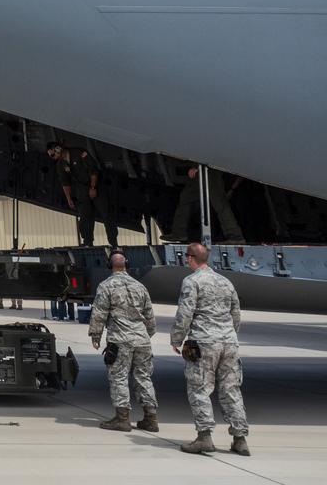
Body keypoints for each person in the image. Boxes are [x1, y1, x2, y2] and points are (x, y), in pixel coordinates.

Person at [170, 242, 250, 456]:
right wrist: (230, 335)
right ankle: (240, 439)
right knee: (231, 389)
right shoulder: (226, 281)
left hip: (204, 342)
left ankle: (204, 437)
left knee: (200, 388)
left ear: (190, 258)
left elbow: (185, 312)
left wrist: (176, 339)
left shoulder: (191, 281)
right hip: (229, 342)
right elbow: (236, 313)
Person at [88, 253, 158, 432]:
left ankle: (122, 418)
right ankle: (151, 418)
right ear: (127, 264)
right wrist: (146, 334)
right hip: (141, 339)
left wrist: (96, 335)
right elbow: (149, 316)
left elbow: (99, 313)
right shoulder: (140, 286)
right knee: (143, 377)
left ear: (109, 265)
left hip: (120, 339)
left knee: (118, 377)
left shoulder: (106, 286)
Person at [47, 142, 119, 247]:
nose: (52, 157)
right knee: (85, 217)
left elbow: (93, 170)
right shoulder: (60, 165)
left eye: (53, 154)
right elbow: (65, 182)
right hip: (81, 190)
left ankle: (113, 242)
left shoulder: (79, 153)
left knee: (106, 213)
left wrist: (93, 187)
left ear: (58, 149)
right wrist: (69, 199)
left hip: (95, 185)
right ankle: (88, 242)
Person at [169, 166, 243, 243]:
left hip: (209, 167)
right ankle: (179, 232)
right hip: (202, 169)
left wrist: (198, 167)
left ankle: (235, 236)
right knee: (186, 197)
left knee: (218, 201)